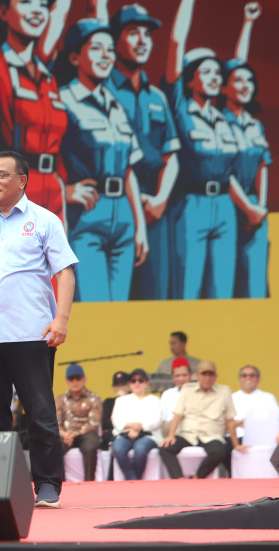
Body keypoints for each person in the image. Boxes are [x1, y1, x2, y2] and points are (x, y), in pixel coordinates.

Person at [0, 150, 78, 508]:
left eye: (2, 175)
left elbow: (65, 272)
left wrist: (62, 319)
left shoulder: (45, 220)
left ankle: (48, 484)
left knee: (39, 413)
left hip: (32, 333)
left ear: (22, 180)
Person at [163, 0, 264, 300]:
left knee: (222, 289)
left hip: (225, 209)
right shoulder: (180, 108)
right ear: (190, 78)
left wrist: (247, 23)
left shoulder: (222, 116)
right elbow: (177, 42)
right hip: (190, 205)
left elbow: (238, 64)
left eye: (217, 74)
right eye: (206, 72)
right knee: (188, 288)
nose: (215, 77)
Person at [54, 18, 148, 302]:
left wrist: (140, 225)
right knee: (94, 304)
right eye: (96, 48)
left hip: (124, 218)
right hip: (87, 218)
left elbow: (128, 169)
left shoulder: (117, 105)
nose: (106, 55)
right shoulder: (62, 100)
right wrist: (65, 192)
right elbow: (44, 157)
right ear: (74, 56)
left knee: (119, 309)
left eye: (110, 49)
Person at [99, 1, 180, 300]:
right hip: (113, 200)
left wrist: (159, 199)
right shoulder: (100, 88)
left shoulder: (157, 96)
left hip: (155, 208)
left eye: (147, 33)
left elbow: (172, 156)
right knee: (112, 296)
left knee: (155, 293)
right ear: (115, 38)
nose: (143, 40)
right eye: (134, 32)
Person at [0, 0, 71, 220]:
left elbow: (61, 8)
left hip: (52, 191)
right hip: (14, 188)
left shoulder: (45, 74)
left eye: (44, 5)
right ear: (3, 11)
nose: (37, 10)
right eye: (26, 2)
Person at [222, 4, 271, 298]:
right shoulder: (217, 121)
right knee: (226, 281)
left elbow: (264, 165)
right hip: (230, 206)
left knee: (255, 283)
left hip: (255, 210)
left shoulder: (255, 125)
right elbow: (222, 171)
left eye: (249, 80)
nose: (244, 85)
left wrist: (260, 206)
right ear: (224, 87)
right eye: (237, 81)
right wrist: (247, 23)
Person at [159, 360, 242, 479]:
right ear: (196, 375)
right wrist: (171, 435)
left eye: (210, 374)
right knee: (165, 448)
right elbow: (177, 415)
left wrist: (236, 445)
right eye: (204, 374)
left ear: (216, 376)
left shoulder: (224, 391)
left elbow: (230, 420)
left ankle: (197, 477)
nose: (207, 378)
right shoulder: (187, 389)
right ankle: (179, 479)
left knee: (219, 451)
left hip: (212, 436)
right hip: (188, 434)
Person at [110, 368, 161, 480]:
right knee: (117, 448)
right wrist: (131, 425)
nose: (137, 383)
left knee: (140, 450)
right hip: (125, 434)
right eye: (133, 380)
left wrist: (139, 427)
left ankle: (133, 480)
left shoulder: (155, 400)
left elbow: (157, 421)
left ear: (146, 382)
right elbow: (116, 420)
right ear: (129, 384)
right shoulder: (121, 400)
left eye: (140, 380)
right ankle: (133, 479)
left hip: (148, 435)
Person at [55, 364, 102, 482]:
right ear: (66, 381)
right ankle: (61, 484)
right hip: (65, 433)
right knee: (54, 447)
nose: (75, 381)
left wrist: (74, 434)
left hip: (86, 433)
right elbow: (56, 422)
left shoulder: (94, 397)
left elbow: (94, 423)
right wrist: (64, 434)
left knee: (90, 446)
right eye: (71, 379)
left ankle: (89, 483)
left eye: (78, 378)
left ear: (84, 379)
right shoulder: (60, 399)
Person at [231, 365, 278, 442]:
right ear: (239, 379)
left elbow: (273, 421)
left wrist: (238, 422)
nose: (248, 378)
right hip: (234, 438)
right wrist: (250, 421)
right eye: (244, 375)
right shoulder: (230, 398)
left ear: (258, 379)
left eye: (252, 375)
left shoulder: (268, 398)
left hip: (261, 438)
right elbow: (225, 423)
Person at [160, 357, 193, 436]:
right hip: (169, 431)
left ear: (190, 375)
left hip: (191, 430)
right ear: (172, 377)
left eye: (184, 375)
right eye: (177, 376)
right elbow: (162, 419)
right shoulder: (167, 394)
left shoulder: (197, 392)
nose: (181, 378)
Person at [101, 370, 129, 450]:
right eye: (117, 385)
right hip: (113, 434)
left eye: (122, 385)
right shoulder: (108, 402)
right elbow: (104, 422)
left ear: (129, 385)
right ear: (113, 387)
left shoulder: (136, 401)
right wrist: (122, 425)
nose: (119, 388)